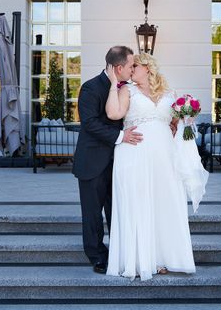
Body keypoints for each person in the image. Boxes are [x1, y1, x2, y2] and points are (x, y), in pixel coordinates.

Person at [105, 53, 206, 281]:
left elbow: (174, 124)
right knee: (139, 202)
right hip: (134, 154)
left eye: (135, 67)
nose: (131, 70)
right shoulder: (126, 90)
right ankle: (142, 260)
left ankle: (165, 258)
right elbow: (114, 113)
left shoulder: (170, 94)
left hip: (165, 157)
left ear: (147, 68)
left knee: (164, 202)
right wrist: (113, 84)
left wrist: (186, 118)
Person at [72, 46, 143, 274]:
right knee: (92, 215)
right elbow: (90, 123)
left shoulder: (129, 88)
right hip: (92, 162)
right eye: (131, 65)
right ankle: (97, 257)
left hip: (120, 162)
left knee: (117, 211)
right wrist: (121, 136)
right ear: (118, 67)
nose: (133, 69)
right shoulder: (91, 87)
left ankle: (119, 253)